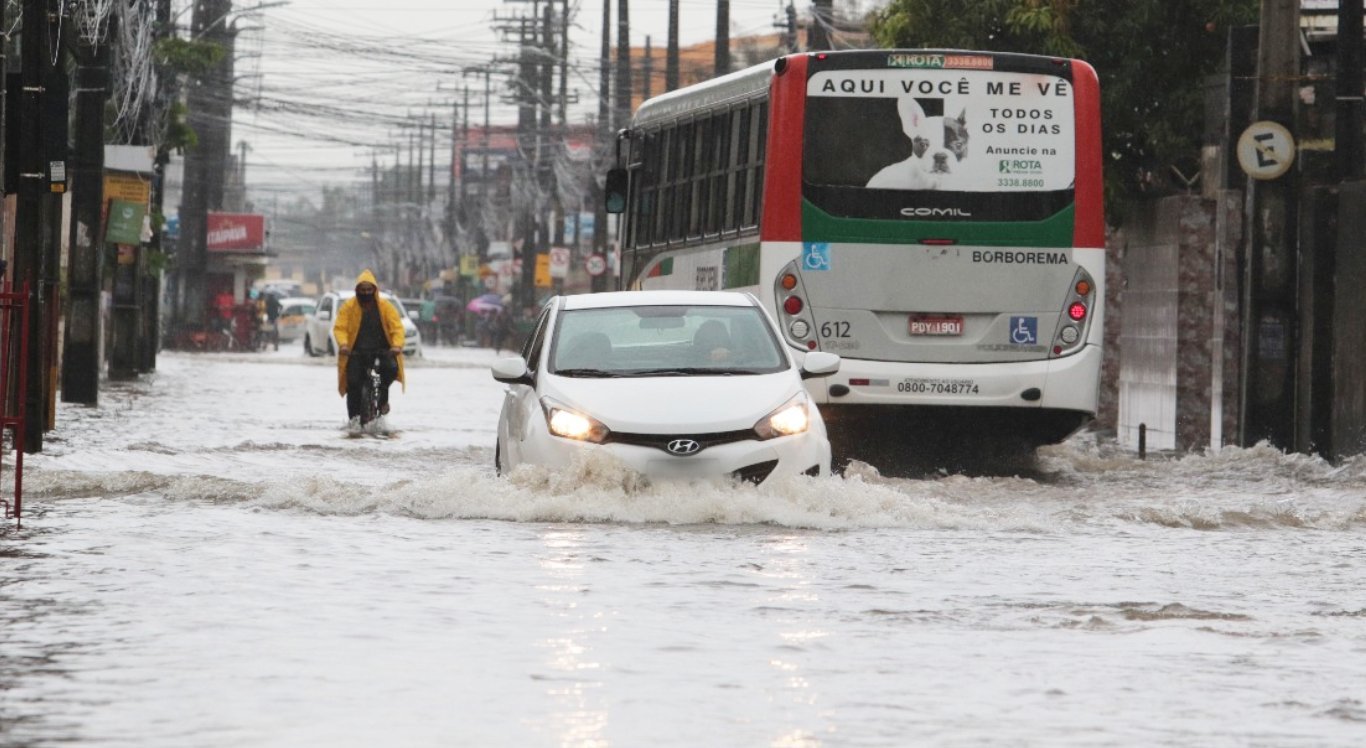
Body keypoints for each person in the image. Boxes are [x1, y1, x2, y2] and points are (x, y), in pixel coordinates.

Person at [334, 270, 406, 432]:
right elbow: (340, 327)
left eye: (369, 290)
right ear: (357, 290)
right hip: (356, 352)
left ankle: (382, 401)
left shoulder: (385, 307)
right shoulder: (349, 307)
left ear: (374, 290)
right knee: (353, 385)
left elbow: (397, 328)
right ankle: (353, 421)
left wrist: (396, 346)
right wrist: (344, 345)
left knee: (390, 370)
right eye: (362, 290)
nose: (366, 293)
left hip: (382, 351)